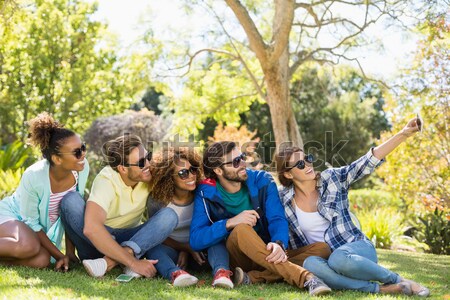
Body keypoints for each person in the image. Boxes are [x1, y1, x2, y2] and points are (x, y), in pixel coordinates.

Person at [275, 117, 429, 296]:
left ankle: (397, 280)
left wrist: (403, 134)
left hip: (356, 249)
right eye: (300, 164)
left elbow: (366, 162)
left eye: (307, 159)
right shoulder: (283, 198)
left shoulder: (332, 179)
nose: (308, 165)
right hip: (325, 259)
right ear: (288, 174)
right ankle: (381, 289)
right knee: (309, 264)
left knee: (339, 259)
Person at [190, 141, 333, 296]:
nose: (243, 164)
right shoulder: (206, 192)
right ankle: (306, 278)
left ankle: (253, 278)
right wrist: (230, 223)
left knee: (322, 249)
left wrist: (279, 243)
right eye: (236, 162)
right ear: (218, 170)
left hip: (267, 251)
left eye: (242, 157)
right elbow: (196, 239)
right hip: (239, 257)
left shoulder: (262, 180)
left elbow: (277, 218)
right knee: (241, 229)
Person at [60, 134, 178, 278]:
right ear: (122, 169)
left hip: (131, 239)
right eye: (141, 163)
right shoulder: (107, 179)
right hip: (97, 243)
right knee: (70, 200)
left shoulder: (150, 175)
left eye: (148, 157)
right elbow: (92, 228)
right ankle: (126, 260)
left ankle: (109, 262)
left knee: (169, 216)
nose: (148, 165)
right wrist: (134, 263)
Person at [0, 112, 89, 270]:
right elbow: (31, 222)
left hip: (31, 232)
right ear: (57, 159)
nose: (82, 155)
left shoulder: (81, 168)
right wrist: (59, 255)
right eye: (76, 152)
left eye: (83, 148)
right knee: (29, 245)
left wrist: (69, 252)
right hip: (12, 216)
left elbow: (71, 212)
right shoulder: (34, 176)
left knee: (42, 260)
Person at [146, 148, 235, 288]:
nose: (191, 176)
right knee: (153, 249)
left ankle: (221, 272)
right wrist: (185, 249)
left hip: (204, 252)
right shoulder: (157, 201)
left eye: (193, 169)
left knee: (216, 240)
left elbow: (213, 224)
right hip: (174, 253)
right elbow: (157, 235)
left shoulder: (203, 193)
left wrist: (193, 247)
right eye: (183, 173)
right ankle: (176, 274)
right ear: (169, 177)